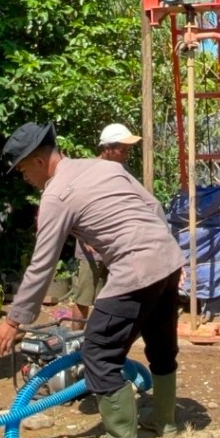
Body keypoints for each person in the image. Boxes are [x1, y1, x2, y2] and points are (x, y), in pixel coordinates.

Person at [0, 122, 184, 438]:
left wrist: (14, 319)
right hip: (168, 260)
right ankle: (165, 421)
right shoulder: (103, 167)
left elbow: (42, 264)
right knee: (160, 342)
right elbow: (154, 207)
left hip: (136, 268)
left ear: (38, 160)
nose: (25, 179)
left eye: (22, 171)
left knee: (98, 351)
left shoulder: (55, 194)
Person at [70, 123, 143, 322]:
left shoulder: (122, 171)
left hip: (116, 246)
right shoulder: (88, 172)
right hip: (90, 247)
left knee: (112, 298)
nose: (126, 154)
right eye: (122, 150)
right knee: (84, 298)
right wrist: (84, 238)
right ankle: (75, 344)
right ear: (108, 149)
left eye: (128, 150)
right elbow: (74, 207)